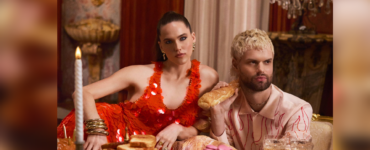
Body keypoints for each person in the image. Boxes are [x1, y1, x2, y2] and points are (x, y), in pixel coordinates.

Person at [57, 11, 219, 150]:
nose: (177, 47)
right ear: (161, 46)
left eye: (182, 38)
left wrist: (178, 129)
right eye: (169, 41)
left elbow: (202, 124)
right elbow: (82, 92)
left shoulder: (208, 77)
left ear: (193, 37)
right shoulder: (140, 73)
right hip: (108, 137)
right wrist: (97, 130)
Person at [209, 29, 313, 150]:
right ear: (236, 65)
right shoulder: (225, 107)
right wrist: (218, 115)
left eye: (267, 62)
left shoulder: (298, 110)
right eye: (253, 62)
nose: (261, 70)